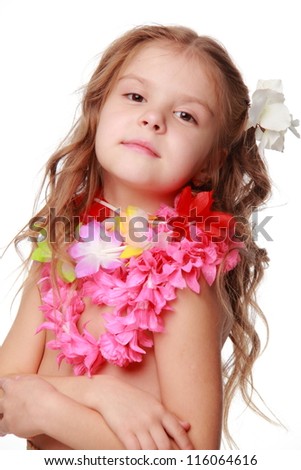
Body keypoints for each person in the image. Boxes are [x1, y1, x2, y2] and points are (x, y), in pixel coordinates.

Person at [0, 25, 298, 450]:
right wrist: (99, 394)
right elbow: (6, 393)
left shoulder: (183, 280)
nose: (152, 118)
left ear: (209, 162)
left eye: (185, 115)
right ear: (98, 109)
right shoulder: (61, 250)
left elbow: (191, 456)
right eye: (136, 96)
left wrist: (49, 410)